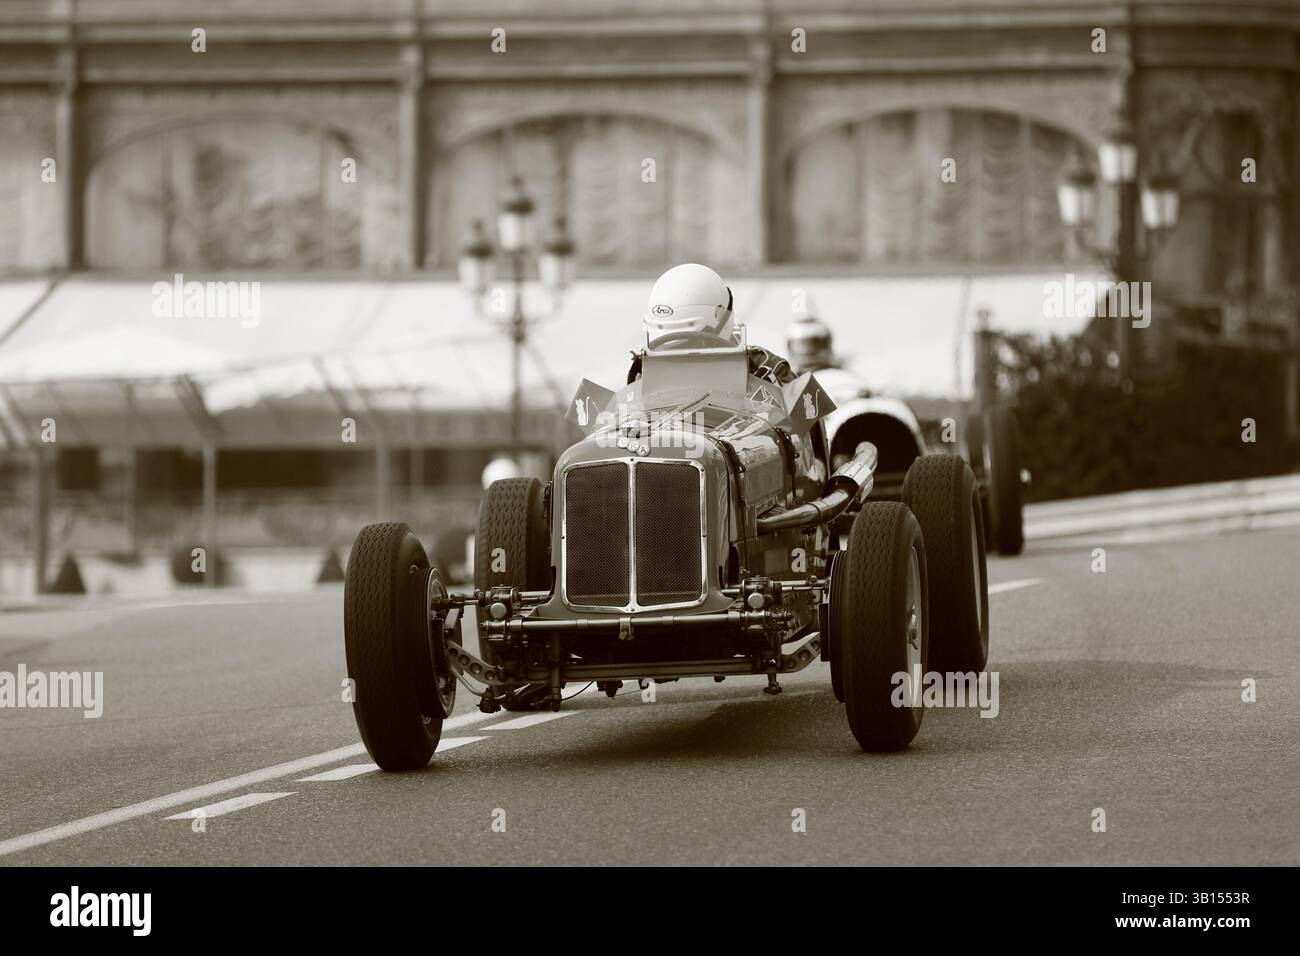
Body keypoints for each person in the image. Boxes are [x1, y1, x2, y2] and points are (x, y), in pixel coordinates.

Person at [630, 263, 796, 386]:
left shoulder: (765, 369)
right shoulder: (642, 371)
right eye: (669, 344)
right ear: (721, 315)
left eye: (685, 343)